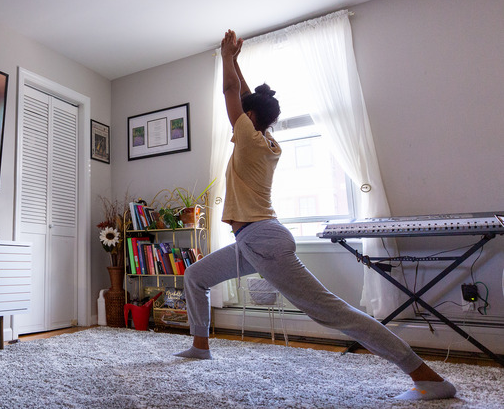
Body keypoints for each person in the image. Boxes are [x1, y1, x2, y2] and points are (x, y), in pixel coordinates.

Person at [173, 29, 457, 401]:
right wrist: (237, 63)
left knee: (331, 312)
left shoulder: (249, 140)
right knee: (196, 276)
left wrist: (226, 57)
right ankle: (201, 346)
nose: (237, 111)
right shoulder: (265, 140)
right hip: (254, 240)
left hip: (263, 240)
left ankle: (428, 378)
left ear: (250, 116)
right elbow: (244, 97)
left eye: (243, 110)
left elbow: (231, 92)